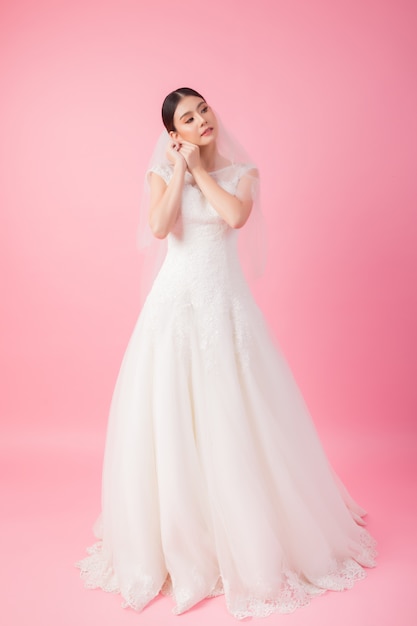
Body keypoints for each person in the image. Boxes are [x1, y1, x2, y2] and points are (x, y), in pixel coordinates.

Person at [76, 87, 376, 619]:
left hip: (227, 311)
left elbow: (235, 217)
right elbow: (159, 226)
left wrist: (200, 173)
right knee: (171, 417)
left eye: (203, 110)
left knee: (239, 418)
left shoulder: (242, 174)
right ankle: (184, 539)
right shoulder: (159, 175)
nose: (202, 120)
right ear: (174, 135)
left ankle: (250, 534)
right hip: (173, 313)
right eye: (187, 119)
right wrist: (175, 173)